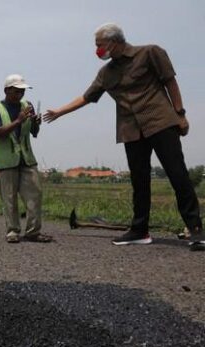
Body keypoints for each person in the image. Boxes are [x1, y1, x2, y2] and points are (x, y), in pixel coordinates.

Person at [44, 23, 204, 251]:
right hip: (130, 129)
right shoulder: (106, 73)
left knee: (177, 175)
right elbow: (87, 97)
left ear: (114, 42)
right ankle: (139, 230)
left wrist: (180, 114)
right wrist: (60, 111)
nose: (97, 50)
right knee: (139, 181)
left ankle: (196, 231)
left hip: (160, 121)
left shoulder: (150, 53)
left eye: (99, 44)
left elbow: (170, 81)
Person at [0, 74, 52, 244]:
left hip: (27, 159)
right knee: (9, 198)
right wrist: (18, 120)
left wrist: (35, 123)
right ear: (7, 91)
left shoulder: (27, 106)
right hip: (7, 161)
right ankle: (13, 231)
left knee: (35, 195)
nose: (20, 95)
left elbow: (34, 133)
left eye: (22, 91)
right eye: (16, 91)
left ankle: (33, 232)